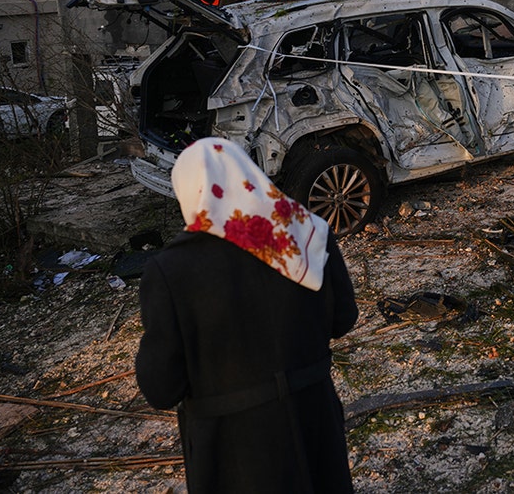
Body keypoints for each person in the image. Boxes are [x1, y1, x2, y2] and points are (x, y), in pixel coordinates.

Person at [135, 137, 358, 493]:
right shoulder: (308, 234)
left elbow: (161, 388)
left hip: (233, 451)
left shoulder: (170, 271)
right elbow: (343, 319)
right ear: (248, 175)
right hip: (313, 425)